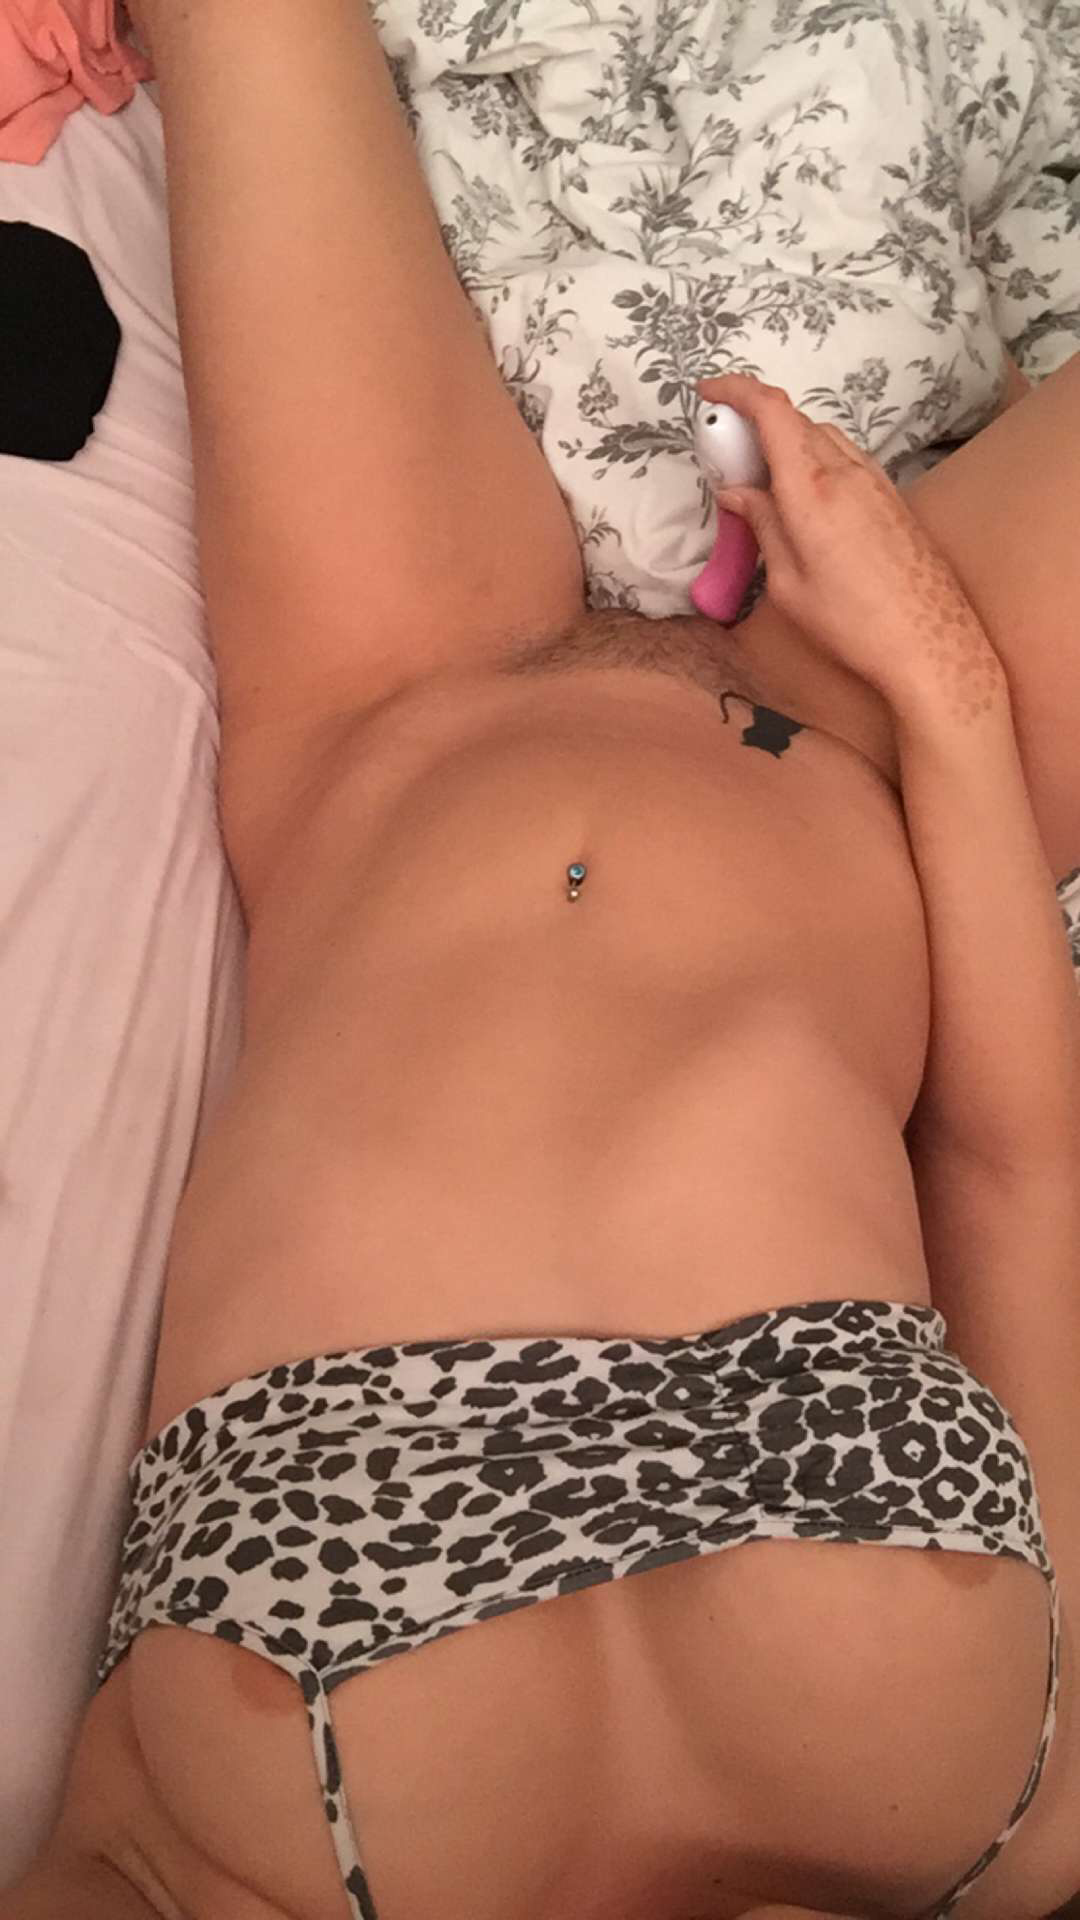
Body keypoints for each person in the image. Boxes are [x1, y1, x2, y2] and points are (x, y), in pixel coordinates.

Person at [3, 1, 1080, 1916]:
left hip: (388, 692)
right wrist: (946, 688)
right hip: (874, 767)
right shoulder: (1022, 1827)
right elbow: (1015, 1169)